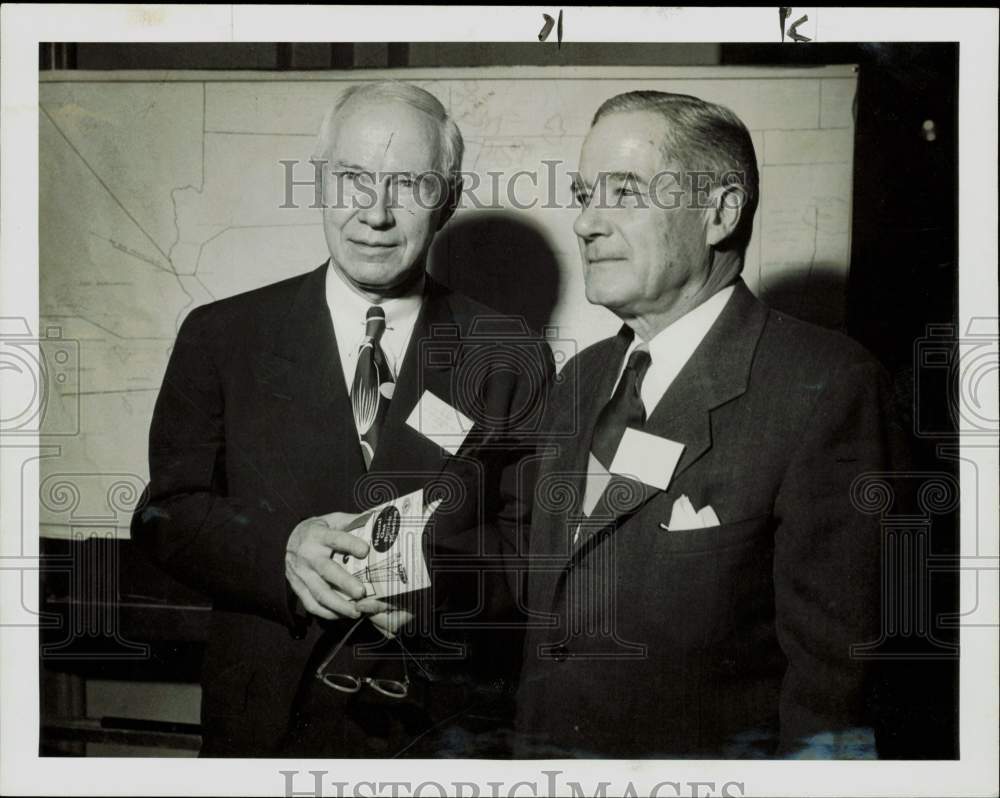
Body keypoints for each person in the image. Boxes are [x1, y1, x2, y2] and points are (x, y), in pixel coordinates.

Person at [131, 81, 552, 757]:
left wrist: (436, 597)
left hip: (436, 728)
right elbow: (166, 513)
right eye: (353, 178)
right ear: (321, 184)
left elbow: (533, 550)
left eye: (409, 184)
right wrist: (279, 553)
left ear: (446, 198)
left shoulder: (506, 352)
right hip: (267, 723)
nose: (374, 213)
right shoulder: (222, 335)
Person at [514, 90, 908, 758]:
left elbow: (837, 691)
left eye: (626, 192)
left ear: (720, 212)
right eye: (585, 194)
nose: (586, 223)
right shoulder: (579, 380)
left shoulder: (826, 388)